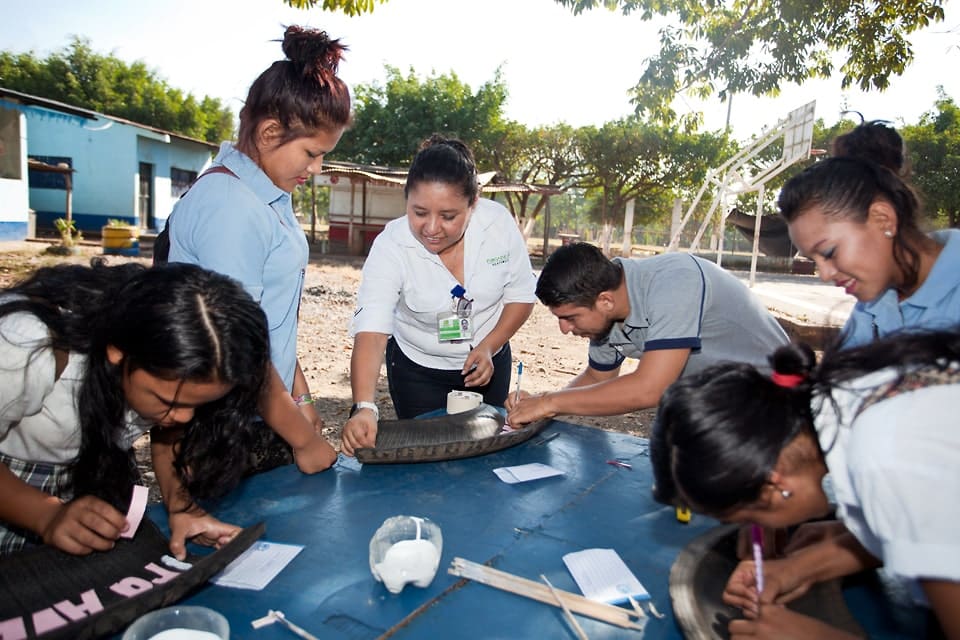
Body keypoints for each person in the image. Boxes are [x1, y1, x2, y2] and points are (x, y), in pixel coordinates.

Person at [650, 330, 960, 639]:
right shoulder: (851, 397)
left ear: (775, 485)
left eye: (749, 520)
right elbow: (922, 522)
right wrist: (797, 568)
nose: (754, 532)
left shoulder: (887, 465)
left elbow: (911, 497)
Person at [166, 26, 349, 473]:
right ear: (269, 132)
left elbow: (273, 319)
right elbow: (240, 345)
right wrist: (304, 442)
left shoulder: (268, 193)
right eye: (310, 153)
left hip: (266, 409)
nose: (317, 168)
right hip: (225, 419)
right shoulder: (231, 205)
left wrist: (301, 399)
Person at [0, 260, 271, 560]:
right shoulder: (25, 343)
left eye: (199, 405)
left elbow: (168, 437)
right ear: (118, 353)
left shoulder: (159, 351)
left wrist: (182, 508)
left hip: (81, 490)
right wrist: (46, 516)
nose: (183, 418)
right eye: (169, 402)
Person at [340, 135, 536, 456]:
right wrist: (364, 406)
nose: (432, 228)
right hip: (418, 370)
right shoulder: (392, 247)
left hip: (488, 365)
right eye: (419, 212)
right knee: (428, 458)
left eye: (448, 216)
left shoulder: (497, 226)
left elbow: (521, 296)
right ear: (406, 201)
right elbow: (372, 332)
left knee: (487, 452)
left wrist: (489, 346)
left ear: (473, 204)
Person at [504, 242, 788, 426]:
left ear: (604, 301)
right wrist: (540, 408)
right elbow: (597, 378)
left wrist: (548, 403)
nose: (564, 330)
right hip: (718, 405)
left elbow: (650, 388)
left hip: (774, 400)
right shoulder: (608, 310)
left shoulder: (675, 282)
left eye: (570, 318)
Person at [780, 156, 959, 349]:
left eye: (829, 252)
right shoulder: (871, 308)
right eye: (813, 260)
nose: (825, 274)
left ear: (883, 219)